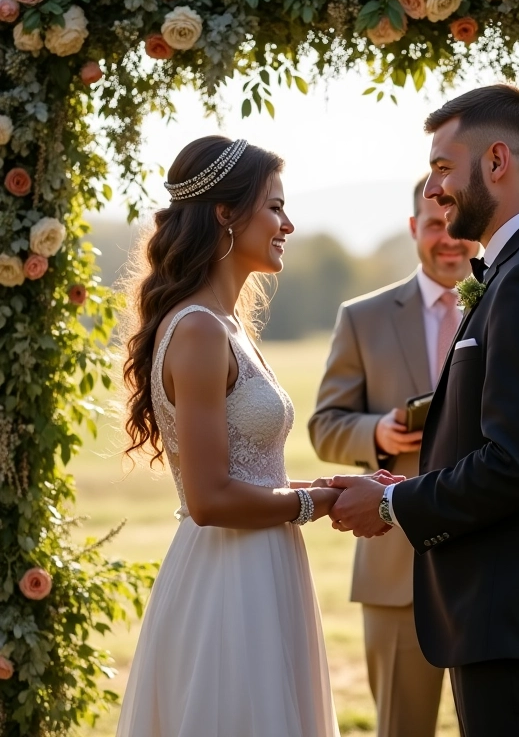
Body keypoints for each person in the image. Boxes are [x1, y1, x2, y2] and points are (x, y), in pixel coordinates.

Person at [326, 84, 519, 737]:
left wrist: (392, 506)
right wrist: (403, 484)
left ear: (495, 163)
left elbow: (516, 464)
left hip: (517, 611)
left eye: (441, 167)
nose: (434, 190)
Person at [116, 136, 347, 737]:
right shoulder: (197, 331)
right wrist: (314, 503)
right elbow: (210, 497)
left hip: (266, 562)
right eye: (274, 207)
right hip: (228, 580)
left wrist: (326, 486)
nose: (287, 224)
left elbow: (251, 473)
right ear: (225, 212)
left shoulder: (226, 326)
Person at [308, 176, 478, 737]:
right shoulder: (363, 317)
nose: (448, 239)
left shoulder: (508, 305)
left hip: (491, 556)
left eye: (457, 225)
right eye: (434, 225)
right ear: (414, 229)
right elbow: (325, 426)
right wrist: (377, 430)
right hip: (395, 565)